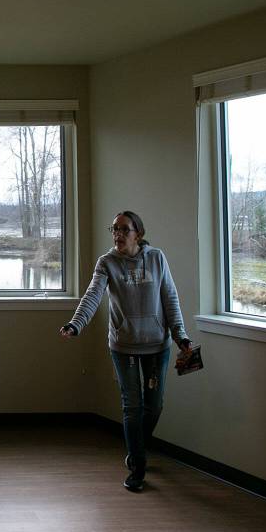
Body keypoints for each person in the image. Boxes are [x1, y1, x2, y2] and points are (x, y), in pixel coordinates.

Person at [59, 210, 192, 492]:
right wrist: (76, 324)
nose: (117, 234)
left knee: (154, 405)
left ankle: (137, 448)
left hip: (157, 345)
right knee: (132, 406)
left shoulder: (156, 258)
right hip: (124, 346)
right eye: (114, 229)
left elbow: (170, 297)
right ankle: (138, 466)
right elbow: (92, 295)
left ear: (138, 234)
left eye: (124, 229)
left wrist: (181, 335)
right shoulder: (107, 263)